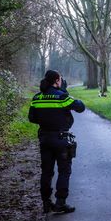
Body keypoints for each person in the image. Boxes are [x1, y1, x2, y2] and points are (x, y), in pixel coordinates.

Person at [28, 70, 85, 213]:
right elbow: (80, 107)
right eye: (60, 79)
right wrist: (64, 92)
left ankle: (46, 203)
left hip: (45, 138)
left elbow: (32, 118)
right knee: (64, 171)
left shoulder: (37, 98)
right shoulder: (62, 97)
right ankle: (60, 202)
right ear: (57, 81)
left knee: (46, 172)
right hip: (61, 140)